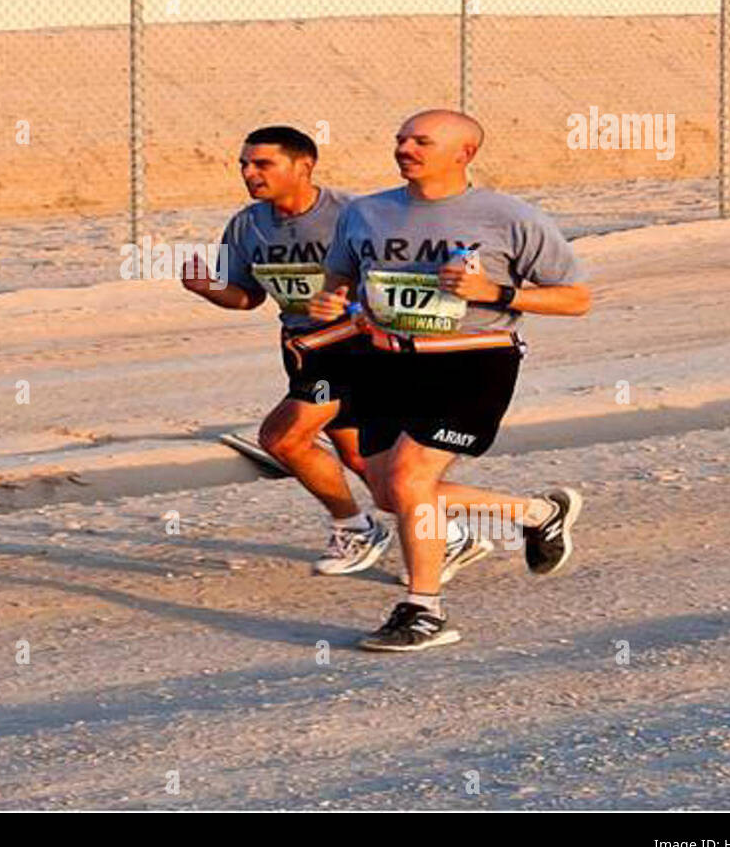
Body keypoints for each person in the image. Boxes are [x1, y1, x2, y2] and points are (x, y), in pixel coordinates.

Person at [307, 108, 591, 651]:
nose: (405, 149)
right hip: (385, 362)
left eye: (421, 141)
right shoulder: (367, 212)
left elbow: (576, 298)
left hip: (471, 361)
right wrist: (334, 302)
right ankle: (537, 513)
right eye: (401, 139)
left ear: (465, 153)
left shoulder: (509, 217)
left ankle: (423, 611)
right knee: (393, 493)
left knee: (412, 479)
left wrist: (497, 294)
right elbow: (342, 277)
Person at [182, 124, 488, 579]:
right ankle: (447, 532)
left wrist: (356, 307)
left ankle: (356, 526)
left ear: (303, 166)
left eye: (262, 163)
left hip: (356, 349)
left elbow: (398, 282)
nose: (249, 173)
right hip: (303, 349)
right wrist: (208, 288)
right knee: (361, 456)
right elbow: (247, 297)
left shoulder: (354, 214)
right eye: (244, 164)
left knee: (282, 438)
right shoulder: (246, 225)